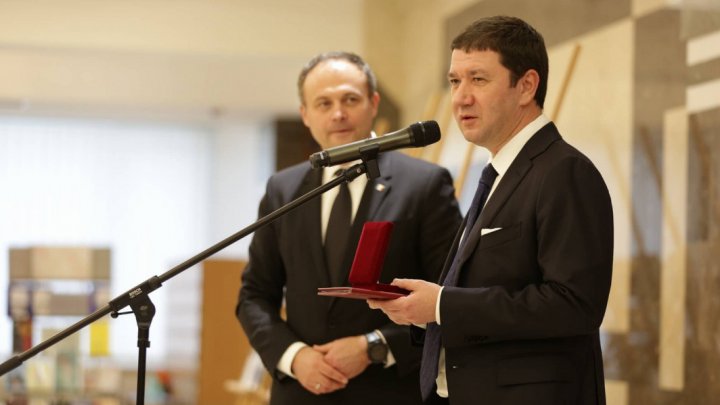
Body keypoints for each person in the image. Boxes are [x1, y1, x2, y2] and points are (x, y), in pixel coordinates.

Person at [368, 16, 614, 405]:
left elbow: (574, 305)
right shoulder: (500, 173)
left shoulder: (564, 171)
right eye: (454, 81)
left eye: (478, 79)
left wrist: (443, 304)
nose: (461, 97)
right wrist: (423, 311)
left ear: (526, 86)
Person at [236, 51, 462, 405]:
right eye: (323, 103)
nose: (338, 113)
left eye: (350, 99)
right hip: (302, 391)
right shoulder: (283, 189)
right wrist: (294, 356)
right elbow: (253, 296)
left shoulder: (425, 185)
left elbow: (452, 297)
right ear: (305, 115)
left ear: (373, 104)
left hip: (391, 391)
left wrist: (374, 346)